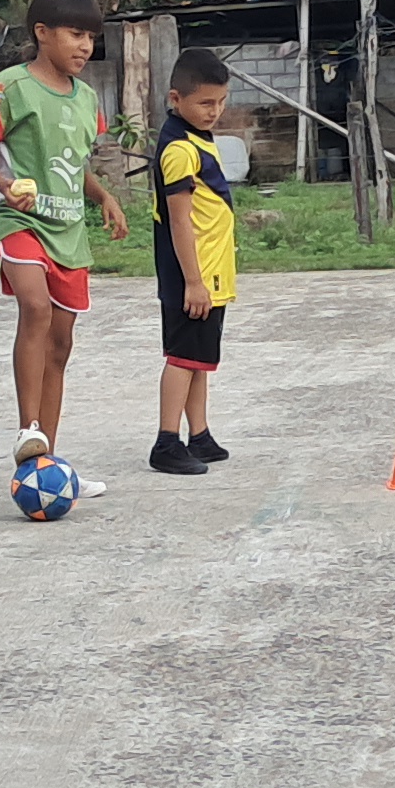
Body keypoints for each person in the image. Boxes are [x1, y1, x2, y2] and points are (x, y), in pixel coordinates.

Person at [0, 0, 131, 491]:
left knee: (61, 344)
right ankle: (27, 429)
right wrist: (3, 186)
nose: (85, 46)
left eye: (91, 37)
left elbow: (74, 165)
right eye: (75, 34)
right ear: (42, 33)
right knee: (35, 307)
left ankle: (44, 464)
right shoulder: (8, 87)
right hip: (20, 221)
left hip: (69, 230)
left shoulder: (88, 99)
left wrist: (105, 197)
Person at [148, 48, 240, 477]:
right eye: (205, 103)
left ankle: (198, 434)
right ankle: (167, 441)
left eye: (221, 102)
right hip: (192, 275)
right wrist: (194, 282)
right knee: (182, 358)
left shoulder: (198, 139)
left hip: (208, 273)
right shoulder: (179, 150)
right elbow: (179, 220)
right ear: (176, 98)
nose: (214, 111)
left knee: (199, 359)